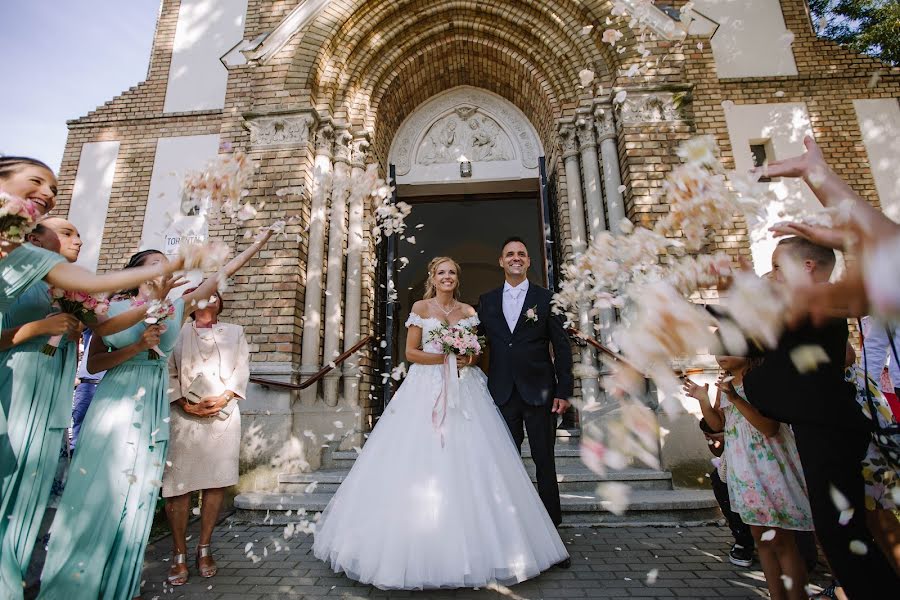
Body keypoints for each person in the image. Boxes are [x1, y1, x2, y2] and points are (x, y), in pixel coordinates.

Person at [38, 232, 271, 600]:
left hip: (155, 407)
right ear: (134, 272)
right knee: (101, 486)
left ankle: (120, 584)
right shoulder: (108, 308)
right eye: (155, 262)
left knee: (139, 495)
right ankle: (77, 579)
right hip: (116, 397)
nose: (165, 266)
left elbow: (220, 276)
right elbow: (95, 362)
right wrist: (135, 346)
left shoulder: (176, 306)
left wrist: (258, 244)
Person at [313, 256, 569, 590]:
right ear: (432, 278)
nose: (447, 277)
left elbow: (476, 352)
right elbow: (411, 352)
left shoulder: (469, 312)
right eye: (441, 272)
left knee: (478, 457)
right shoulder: (421, 306)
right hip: (426, 386)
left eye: (452, 273)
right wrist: (444, 357)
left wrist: (468, 357)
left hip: (466, 388)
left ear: (457, 279)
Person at [741, 236, 899, 597]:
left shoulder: (819, 304)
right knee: (840, 531)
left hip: (828, 429)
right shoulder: (815, 306)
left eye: (778, 266)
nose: (772, 274)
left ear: (807, 267)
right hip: (820, 427)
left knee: (842, 532)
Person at [685, 357, 814, 600]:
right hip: (743, 467)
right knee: (760, 538)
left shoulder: (764, 379)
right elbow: (718, 424)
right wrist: (703, 399)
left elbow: (769, 427)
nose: (721, 355)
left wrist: (734, 397)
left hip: (768, 463)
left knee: (782, 541)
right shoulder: (726, 381)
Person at [476, 237, 573, 530]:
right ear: (501, 262)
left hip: (540, 393)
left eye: (521, 254)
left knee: (545, 462)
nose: (515, 258)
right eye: (509, 254)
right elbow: (477, 342)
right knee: (506, 464)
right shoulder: (487, 300)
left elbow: (563, 347)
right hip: (502, 394)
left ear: (529, 261)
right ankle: (510, 531)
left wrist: (564, 390)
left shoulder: (547, 299)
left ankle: (552, 533)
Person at [163, 290, 249, 585]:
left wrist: (225, 397)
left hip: (223, 416)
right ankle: (177, 553)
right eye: (199, 295)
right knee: (178, 485)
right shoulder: (173, 332)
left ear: (221, 302)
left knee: (216, 481)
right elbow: (167, 370)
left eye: (213, 295)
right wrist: (183, 403)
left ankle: (204, 547)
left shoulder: (235, 332)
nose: (207, 300)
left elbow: (242, 368)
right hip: (183, 415)